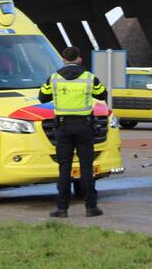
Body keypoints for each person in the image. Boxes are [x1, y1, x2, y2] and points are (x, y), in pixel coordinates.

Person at [39, 46, 107, 218]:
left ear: (63, 59)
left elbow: (42, 97)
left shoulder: (53, 78)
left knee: (64, 168)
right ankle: (91, 208)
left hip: (63, 127)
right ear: (79, 59)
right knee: (86, 168)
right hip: (84, 127)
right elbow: (102, 94)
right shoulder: (89, 77)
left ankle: (62, 209)